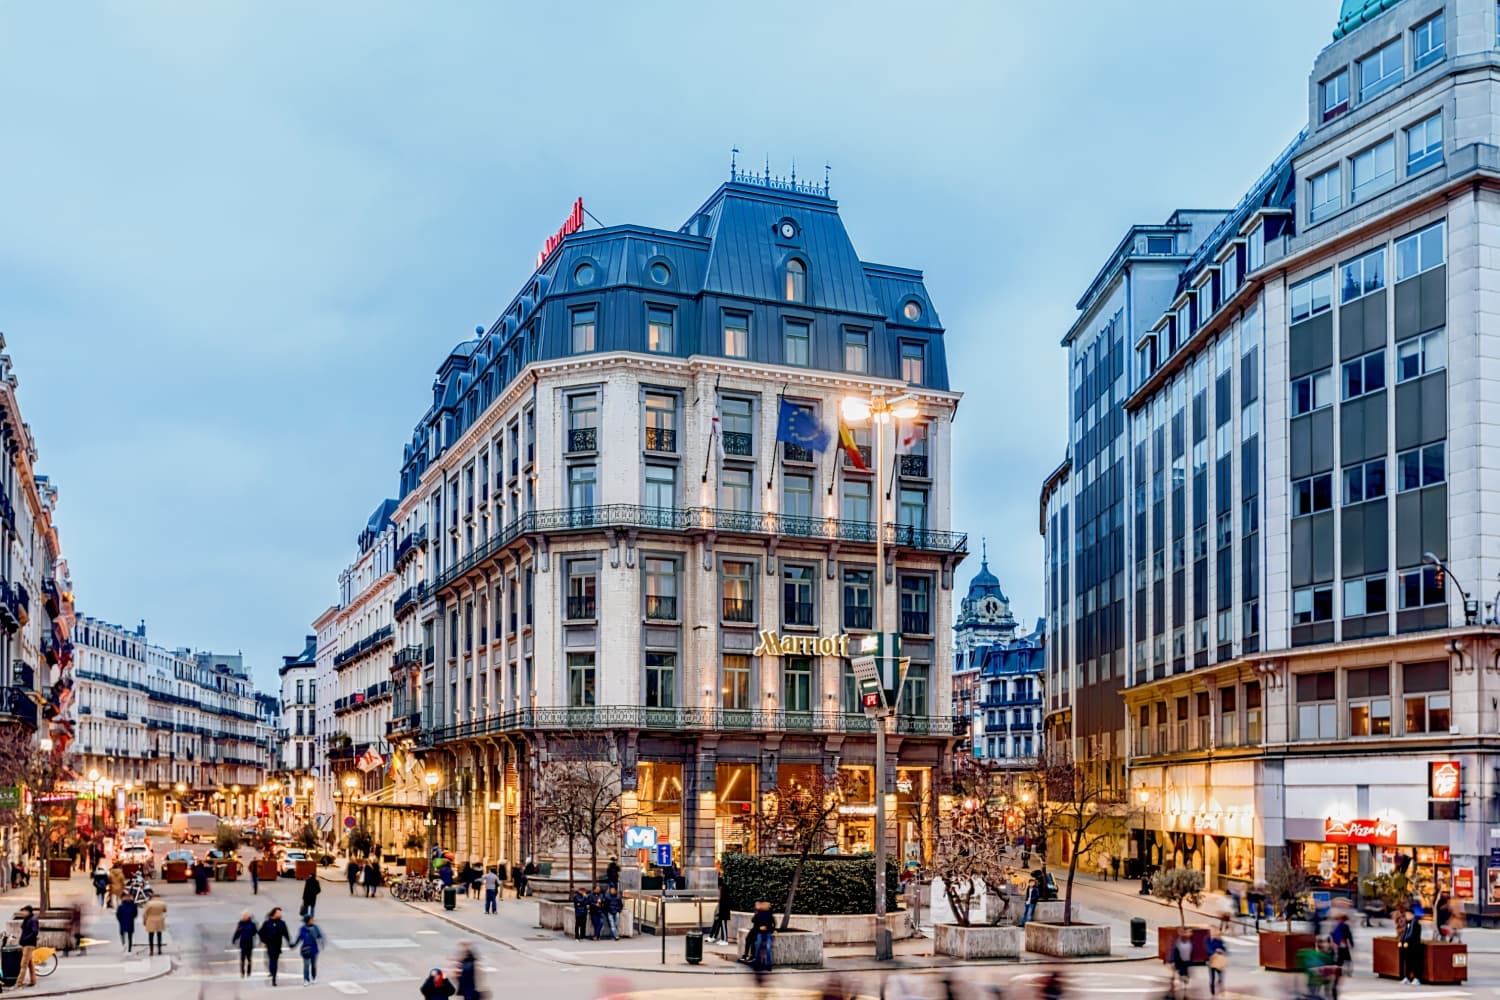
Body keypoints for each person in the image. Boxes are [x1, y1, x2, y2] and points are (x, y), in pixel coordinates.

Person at [259, 907, 293, 986]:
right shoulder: (267, 923)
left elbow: (286, 934)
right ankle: (273, 974)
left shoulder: (282, 923)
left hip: (278, 945)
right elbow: (260, 932)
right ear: (274, 914)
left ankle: (273, 977)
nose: (280, 914)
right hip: (270, 945)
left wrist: (289, 943)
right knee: (272, 960)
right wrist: (264, 941)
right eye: (278, 913)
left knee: (274, 961)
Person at [295, 914, 324, 984]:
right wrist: (294, 945)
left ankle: (313, 977)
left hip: (314, 949)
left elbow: (319, 936)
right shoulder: (303, 929)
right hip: (306, 950)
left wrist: (321, 943)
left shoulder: (315, 927)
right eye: (311, 919)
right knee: (306, 965)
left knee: (313, 965)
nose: (313, 920)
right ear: (307, 921)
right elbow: (299, 938)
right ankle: (306, 979)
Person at [750, 900, 776, 978]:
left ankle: (768, 964)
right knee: (758, 946)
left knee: (768, 947)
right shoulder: (758, 914)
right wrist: (760, 928)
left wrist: (769, 928)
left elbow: (773, 924)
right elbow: (754, 922)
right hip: (760, 932)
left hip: (767, 932)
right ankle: (757, 964)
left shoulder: (769, 914)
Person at [1398, 906, 1423, 984]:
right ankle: (1406, 977)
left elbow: (1414, 936)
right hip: (1407, 947)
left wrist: (1408, 942)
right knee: (1407, 962)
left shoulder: (1416, 924)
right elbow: (1405, 934)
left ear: (1412, 915)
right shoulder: (1408, 924)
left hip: (1414, 947)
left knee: (1415, 962)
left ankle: (1417, 978)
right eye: (1406, 915)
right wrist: (1401, 941)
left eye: (1408, 915)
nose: (1407, 916)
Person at [232, 910, 258, 978]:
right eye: (243, 916)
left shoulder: (252, 924)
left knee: (249, 959)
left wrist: (253, 932)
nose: (244, 917)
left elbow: (255, 932)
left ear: (248, 917)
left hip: (249, 944)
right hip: (243, 944)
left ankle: (249, 972)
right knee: (242, 959)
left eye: (245, 916)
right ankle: (242, 972)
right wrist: (234, 939)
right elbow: (237, 932)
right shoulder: (240, 923)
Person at [18, 905, 39, 988]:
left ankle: (19, 983)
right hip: (26, 944)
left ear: (28, 911)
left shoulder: (33, 920)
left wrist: (25, 939)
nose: (22, 913)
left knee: (23, 964)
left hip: (29, 944)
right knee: (30, 964)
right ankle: (33, 981)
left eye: (23, 911)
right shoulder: (27, 919)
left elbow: (34, 932)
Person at [143, 890, 167, 955]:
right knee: (159, 935)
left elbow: (145, 913)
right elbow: (165, 910)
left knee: (151, 936)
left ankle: (151, 950)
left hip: (150, 920)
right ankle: (159, 950)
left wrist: (144, 921)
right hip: (159, 920)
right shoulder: (162, 903)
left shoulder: (149, 903)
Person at [1206, 929, 1228, 996]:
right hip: (1211, 960)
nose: (1214, 933)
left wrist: (1222, 950)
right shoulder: (1207, 939)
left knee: (1220, 974)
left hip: (1218, 960)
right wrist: (1215, 952)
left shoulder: (1219, 940)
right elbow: (1208, 948)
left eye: (1214, 932)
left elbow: (1224, 949)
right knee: (1212, 977)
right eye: (1212, 932)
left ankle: (1220, 982)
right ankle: (1212, 990)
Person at [1170, 929, 1192, 994]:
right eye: (1189, 932)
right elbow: (1174, 951)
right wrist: (1172, 961)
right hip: (1179, 961)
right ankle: (1173, 987)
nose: (1191, 934)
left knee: (1184, 975)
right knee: (1178, 974)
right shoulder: (1178, 941)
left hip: (1186, 961)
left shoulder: (1191, 941)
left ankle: (1183, 986)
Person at [709, 878, 731, 945]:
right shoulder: (724, 890)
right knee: (722, 926)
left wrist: (720, 912)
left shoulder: (723, 891)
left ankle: (725, 940)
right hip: (723, 912)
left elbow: (723, 903)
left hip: (723, 912)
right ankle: (722, 939)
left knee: (724, 926)